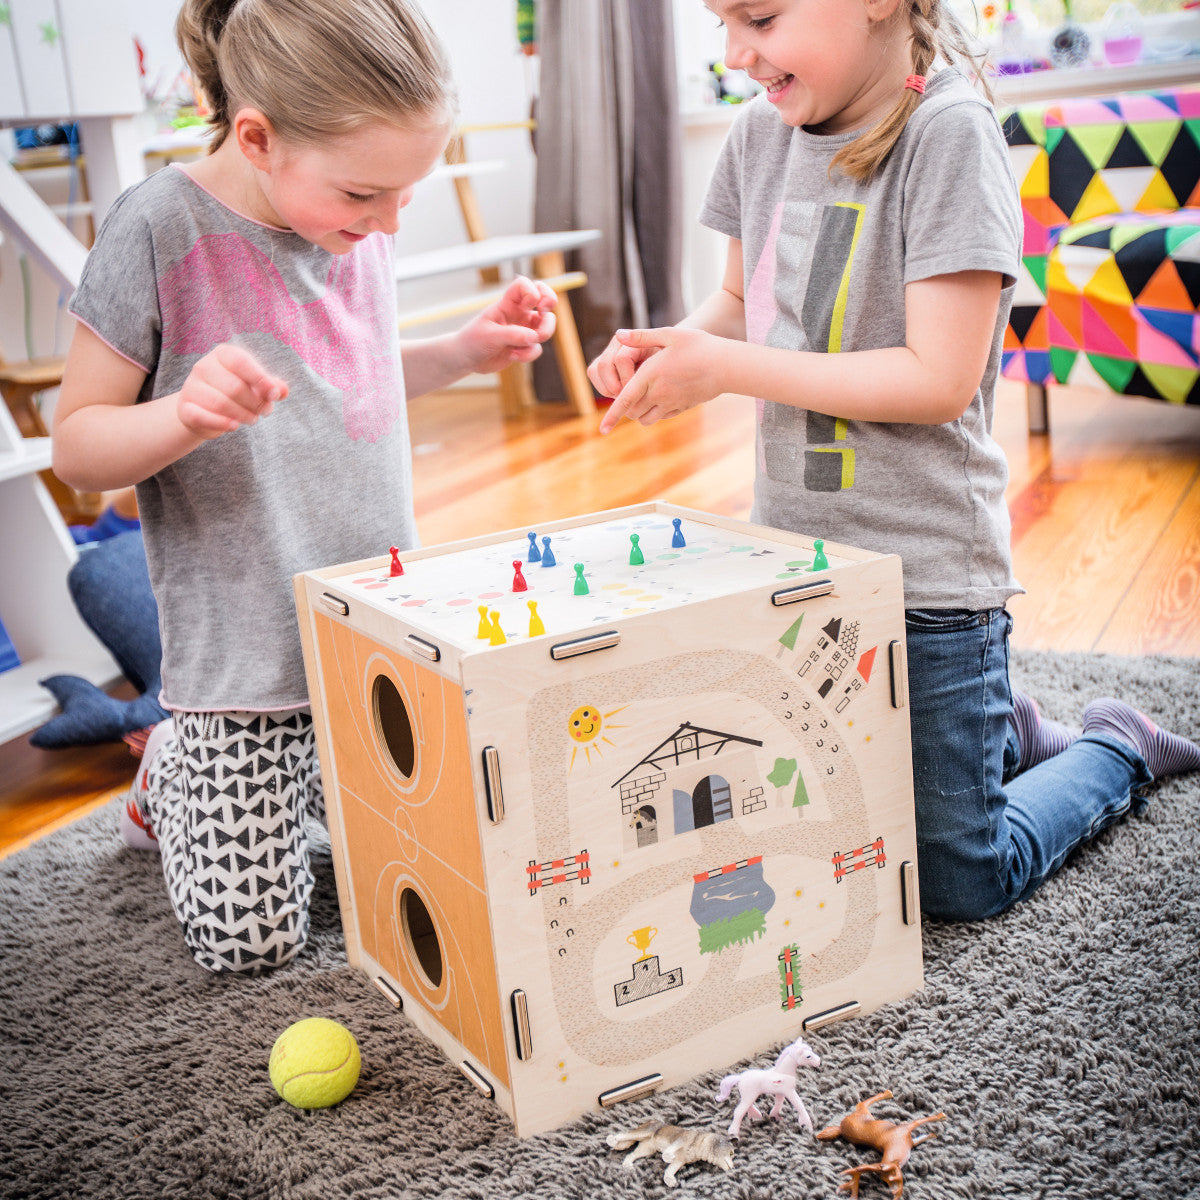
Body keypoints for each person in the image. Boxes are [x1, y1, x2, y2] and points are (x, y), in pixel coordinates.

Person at [587, 0, 1199, 922]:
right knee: (829, 821)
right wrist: (669, 345)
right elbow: (734, 302)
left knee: (960, 879)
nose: (737, 54)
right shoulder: (760, 135)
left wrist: (725, 369)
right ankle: (1001, 730)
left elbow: (937, 380)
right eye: (720, 24)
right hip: (801, 567)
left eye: (757, 16)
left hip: (930, 581)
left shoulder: (949, 134)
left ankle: (1113, 744)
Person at [51, 0, 557, 973]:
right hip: (243, 666)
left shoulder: (348, 218)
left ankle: (216, 773)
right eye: (370, 197)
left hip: (375, 631)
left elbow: (343, 382)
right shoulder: (158, 226)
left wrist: (460, 351)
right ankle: (172, 762)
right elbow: (78, 450)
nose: (388, 224)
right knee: (250, 948)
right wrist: (185, 413)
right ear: (258, 137)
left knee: (476, 862)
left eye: (406, 196)